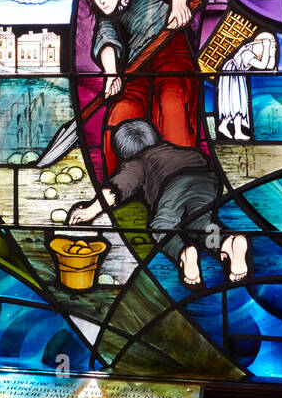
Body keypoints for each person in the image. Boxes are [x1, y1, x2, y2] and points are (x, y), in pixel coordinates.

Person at [68, 119, 251, 287]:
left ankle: (183, 253)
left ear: (123, 151)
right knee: (200, 222)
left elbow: (116, 189)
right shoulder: (175, 150)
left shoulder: (137, 162)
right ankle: (227, 242)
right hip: (207, 179)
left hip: (173, 185)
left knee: (163, 225)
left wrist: (90, 211)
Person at [86, 0, 199, 177]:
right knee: (122, 114)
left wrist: (178, 4)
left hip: (171, 54)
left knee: (171, 103)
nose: (101, 0)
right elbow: (106, 39)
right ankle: (121, 182)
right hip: (135, 67)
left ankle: (181, 177)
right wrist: (111, 74)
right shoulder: (111, 14)